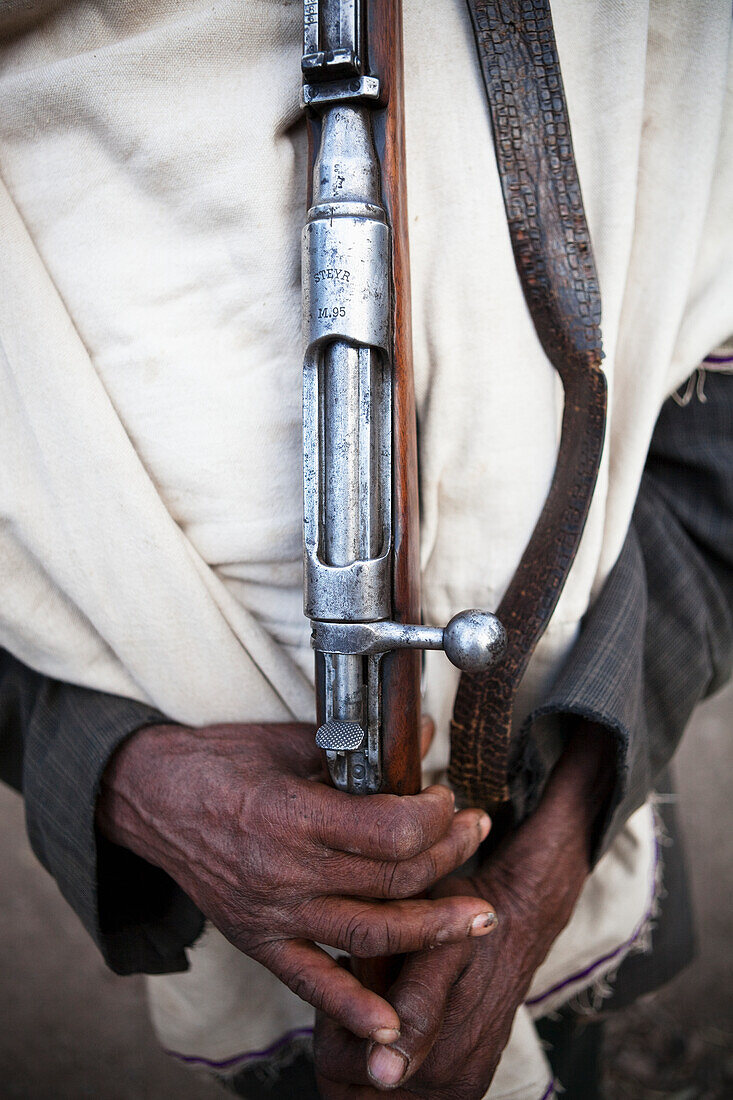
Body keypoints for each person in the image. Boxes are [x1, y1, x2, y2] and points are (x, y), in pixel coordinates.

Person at [0, 2, 731, 1097]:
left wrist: (552, 846)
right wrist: (112, 768)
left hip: (570, 813)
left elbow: (710, 460)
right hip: (244, 926)